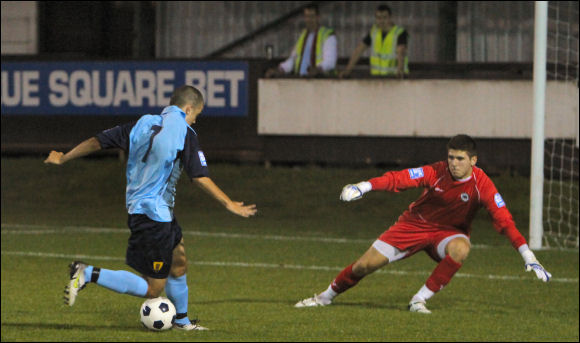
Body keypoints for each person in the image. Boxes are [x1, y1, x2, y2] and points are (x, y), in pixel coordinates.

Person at [44, 85, 257, 330]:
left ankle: (182, 321)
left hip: (153, 210)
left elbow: (97, 141)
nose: (196, 119)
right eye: (197, 113)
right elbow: (199, 176)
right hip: (153, 216)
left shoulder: (142, 123)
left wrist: (63, 157)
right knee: (154, 289)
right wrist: (229, 203)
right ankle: (87, 273)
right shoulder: (185, 132)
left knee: (179, 260)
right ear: (188, 108)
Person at [295, 134, 551, 313]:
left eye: (460, 158)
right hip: (414, 225)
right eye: (451, 157)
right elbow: (401, 178)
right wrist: (365, 186)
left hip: (448, 234)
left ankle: (419, 300)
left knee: (461, 248)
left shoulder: (482, 185)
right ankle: (325, 297)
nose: (453, 163)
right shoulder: (437, 171)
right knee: (364, 265)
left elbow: (504, 221)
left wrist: (527, 254)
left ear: (473, 160)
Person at [265, 4, 337, 78]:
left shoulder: (327, 36)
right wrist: (280, 69)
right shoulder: (303, 36)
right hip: (300, 81)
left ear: (318, 17)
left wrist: (318, 70)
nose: (309, 20)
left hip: (320, 82)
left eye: (312, 16)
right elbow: (293, 60)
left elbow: (330, 62)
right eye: (307, 16)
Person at [339, 4, 409, 78]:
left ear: (390, 18)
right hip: (376, 79)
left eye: (384, 17)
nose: (381, 21)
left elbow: (401, 51)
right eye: (378, 18)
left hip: (395, 79)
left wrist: (400, 70)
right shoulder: (374, 33)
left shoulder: (399, 33)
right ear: (375, 19)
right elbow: (359, 50)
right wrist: (347, 71)